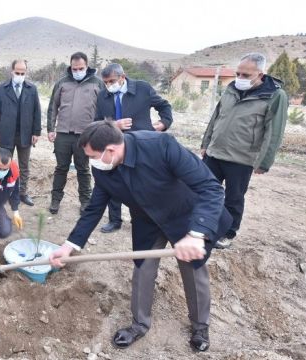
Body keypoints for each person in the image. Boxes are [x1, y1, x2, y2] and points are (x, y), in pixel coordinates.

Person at [49, 121, 232, 352]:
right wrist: (68, 245)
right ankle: (139, 324)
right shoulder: (103, 167)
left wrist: (197, 233)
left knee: (193, 269)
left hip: (185, 217)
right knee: (142, 268)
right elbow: (95, 208)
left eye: (93, 156)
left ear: (111, 150)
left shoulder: (161, 145)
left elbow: (211, 187)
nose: (91, 162)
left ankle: (200, 326)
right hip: (147, 220)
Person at [200, 52, 288, 249]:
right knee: (204, 191)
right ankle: (202, 226)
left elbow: (274, 131)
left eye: (246, 75)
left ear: (261, 74)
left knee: (233, 198)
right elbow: (216, 117)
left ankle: (227, 233)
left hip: (241, 158)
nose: (240, 79)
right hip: (215, 152)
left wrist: (264, 161)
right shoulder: (231, 89)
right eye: (238, 74)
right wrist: (206, 143)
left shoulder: (275, 95)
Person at [95, 63, 173, 233]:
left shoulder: (143, 89)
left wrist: (164, 123)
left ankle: (142, 218)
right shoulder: (102, 96)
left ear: (123, 77)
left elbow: (164, 106)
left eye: (112, 81)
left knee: (141, 183)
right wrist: (113, 124)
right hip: (114, 146)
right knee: (114, 181)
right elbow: (97, 122)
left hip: (140, 146)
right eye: (105, 82)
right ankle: (114, 220)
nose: (108, 85)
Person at [47, 52, 104, 214]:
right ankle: (55, 200)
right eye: (74, 68)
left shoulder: (97, 83)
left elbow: (103, 109)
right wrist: (51, 129)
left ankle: (85, 201)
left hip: (86, 135)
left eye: (81, 68)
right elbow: (53, 107)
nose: (77, 71)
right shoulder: (62, 82)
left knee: (83, 169)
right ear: (70, 67)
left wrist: (98, 133)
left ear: (87, 67)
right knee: (61, 168)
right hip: (63, 134)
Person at [0, 59, 42, 206]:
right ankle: (3, 193)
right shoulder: (2, 88)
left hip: (25, 134)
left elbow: (37, 111)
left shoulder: (32, 89)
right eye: (17, 72)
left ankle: (22, 193)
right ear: (12, 71)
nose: (20, 75)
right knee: (4, 163)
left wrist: (36, 132)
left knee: (24, 165)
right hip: (6, 133)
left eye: (23, 73)